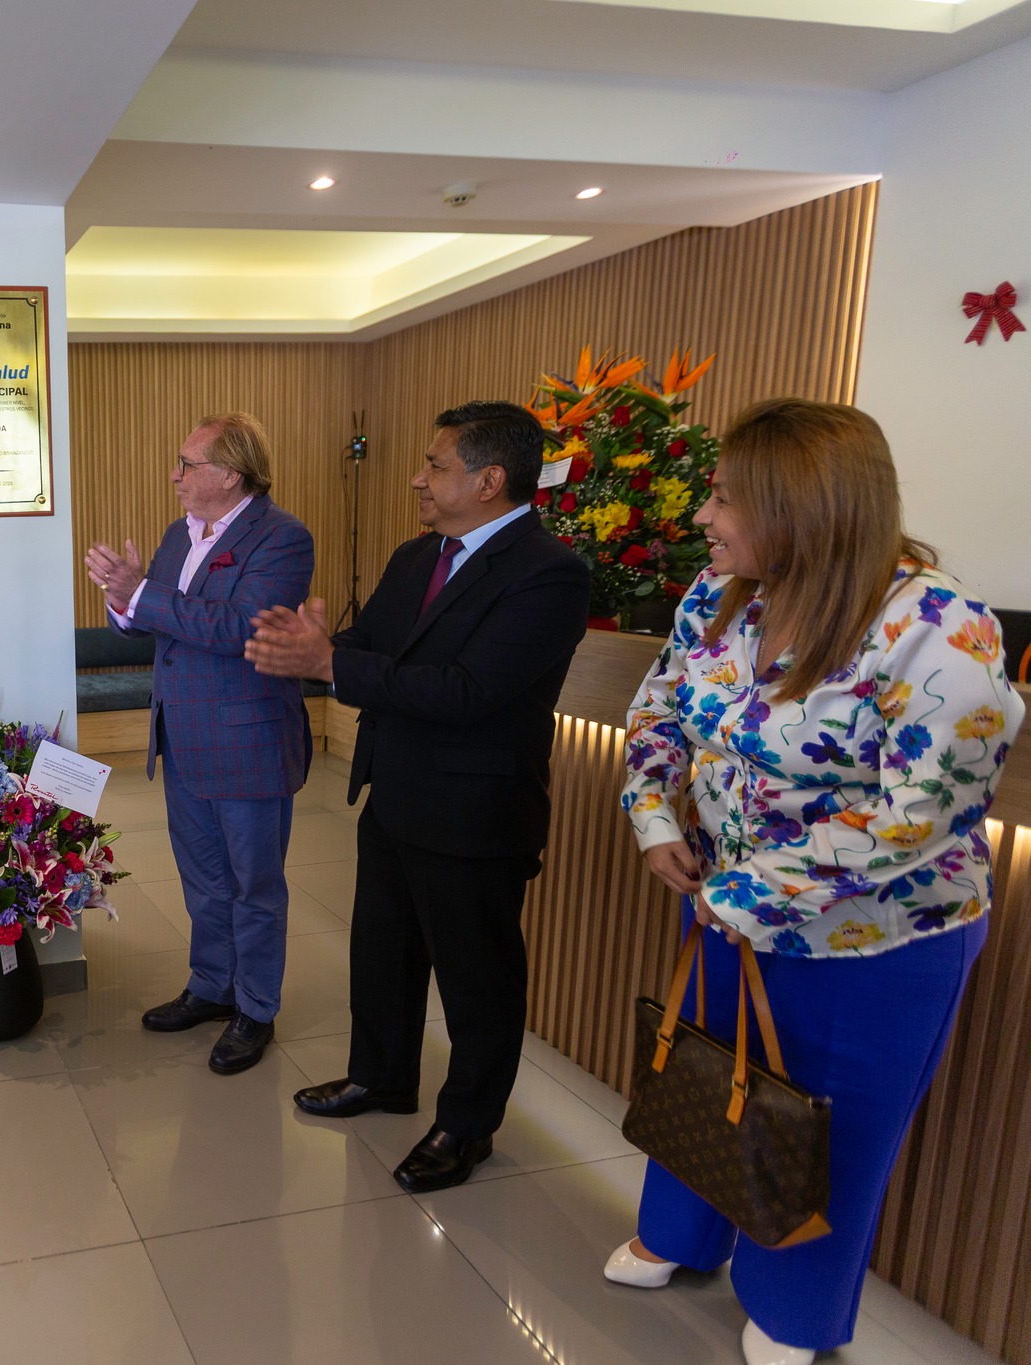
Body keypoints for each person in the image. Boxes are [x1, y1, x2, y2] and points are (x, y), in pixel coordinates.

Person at [603, 399, 1020, 1365]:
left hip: (873, 938)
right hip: (723, 905)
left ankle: (792, 1304)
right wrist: (655, 817)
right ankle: (679, 1233)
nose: (703, 516)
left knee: (829, 1125)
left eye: (724, 498)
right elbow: (659, 707)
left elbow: (924, 810)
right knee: (706, 1067)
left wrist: (746, 893)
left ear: (802, 510)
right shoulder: (720, 594)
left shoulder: (937, 626)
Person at [246, 400, 589, 1193]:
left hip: (475, 813)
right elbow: (369, 647)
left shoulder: (549, 573)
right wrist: (311, 648)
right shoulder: (416, 556)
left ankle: (467, 1125)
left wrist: (331, 664)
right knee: (383, 951)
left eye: (435, 465)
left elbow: (467, 690)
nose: (417, 479)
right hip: (396, 790)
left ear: (490, 479)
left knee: (476, 979)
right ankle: (381, 1076)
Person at [84, 412, 314, 1076]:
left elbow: (242, 627)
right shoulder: (176, 533)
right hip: (181, 738)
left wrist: (143, 594)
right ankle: (212, 986)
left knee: (254, 887)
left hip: (247, 745)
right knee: (205, 880)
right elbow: (148, 623)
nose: (174, 476)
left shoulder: (282, 538)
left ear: (231, 474)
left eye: (188, 464)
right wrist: (123, 599)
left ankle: (256, 1008)